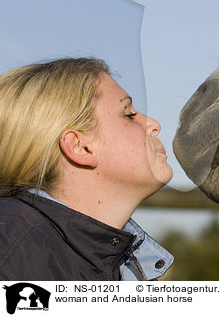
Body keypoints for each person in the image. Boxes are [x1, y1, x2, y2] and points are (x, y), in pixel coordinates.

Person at [0, 58, 174, 280]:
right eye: (128, 114)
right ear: (80, 147)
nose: (154, 124)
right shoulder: (11, 252)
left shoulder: (116, 262)